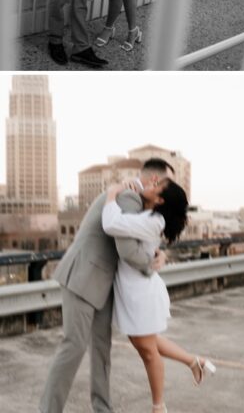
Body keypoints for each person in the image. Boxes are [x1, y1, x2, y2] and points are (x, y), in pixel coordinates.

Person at [39, 158, 173, 413]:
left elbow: (137, 235)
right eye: (166, 187)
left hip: (102, 282)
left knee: (102, 349)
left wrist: (158, 253)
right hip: (84, 276)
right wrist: (150, 263)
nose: (165, 196)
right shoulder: (129, 197)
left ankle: (102, 408)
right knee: (74, 346)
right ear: (154, 181)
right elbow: (126, 249)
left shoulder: (132, 197)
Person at [101, 177, 215, 413]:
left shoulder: (154, 220)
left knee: (148, 352)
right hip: (134, 288)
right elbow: (140, 195)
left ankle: (159, 407)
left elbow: (111, 224)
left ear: (160, 199)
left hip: (140, 293)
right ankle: (195, 362)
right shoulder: (153, 216)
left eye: (155, 187)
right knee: (147, 343)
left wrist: (112, 193)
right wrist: (132, 183)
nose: (149, 186)